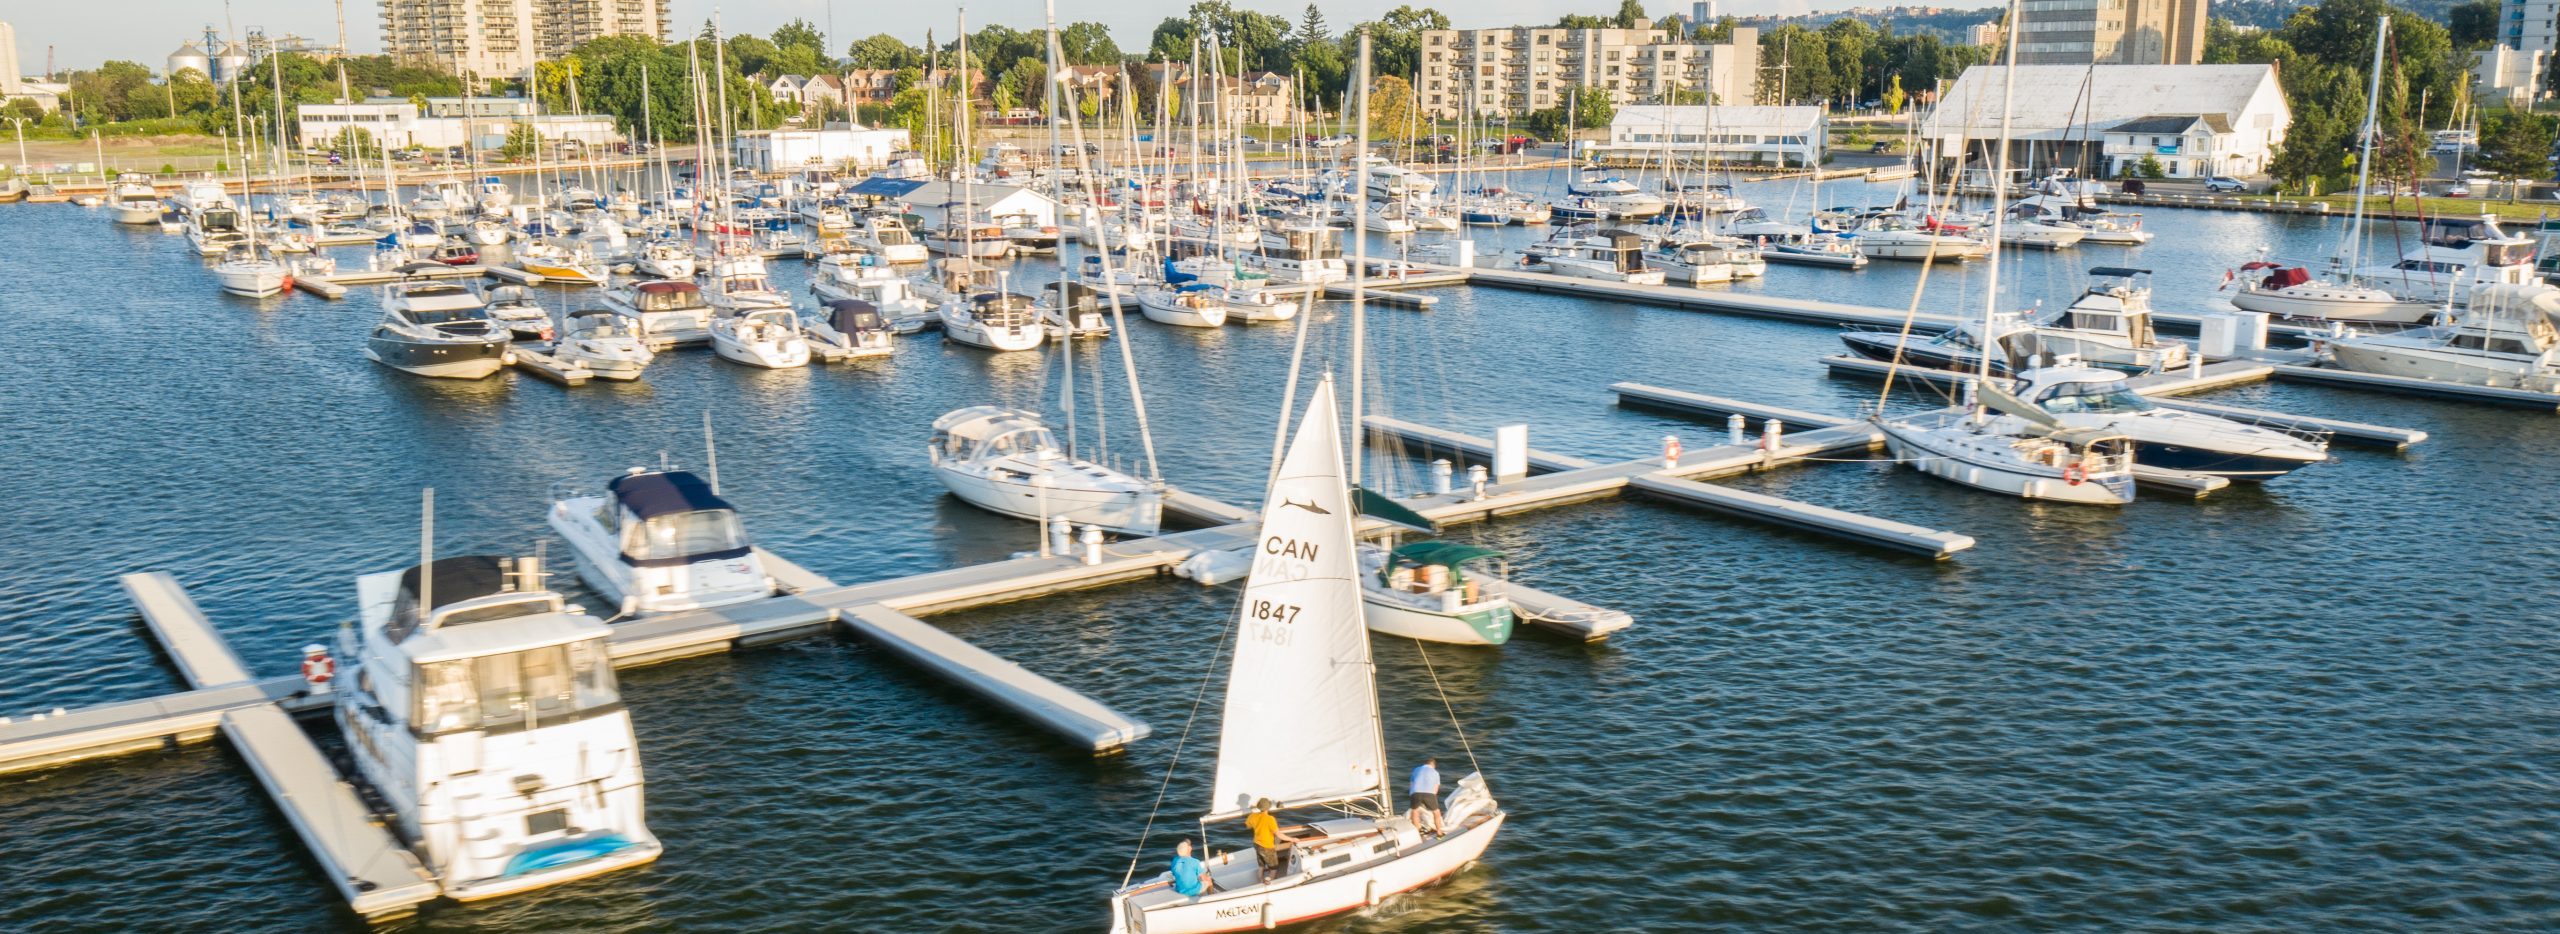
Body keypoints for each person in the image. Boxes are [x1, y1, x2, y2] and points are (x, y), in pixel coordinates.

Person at [1247, 798, 1290, 882]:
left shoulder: (1252, 816)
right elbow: (1279, 834)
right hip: (1267, 847)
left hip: (1257, 844)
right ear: (1268, 808)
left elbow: (1248, 825)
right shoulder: (1270, 819)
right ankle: (1270, 882)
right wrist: (1292, 839)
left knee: (1261, 865)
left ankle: (1260, 880)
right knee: (1274, 868)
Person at [1408, 757, 1443, 838]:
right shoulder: (1435, 772)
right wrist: (1432, 798)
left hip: (1415, 792)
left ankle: (1417, 832)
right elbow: (1436, 788)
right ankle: (1439, 832)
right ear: (1433, 765)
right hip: (1429, 793)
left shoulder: (1416, 769)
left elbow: (1411, 784)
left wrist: (1412, 795)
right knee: (1436, 812)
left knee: (1415, 811)